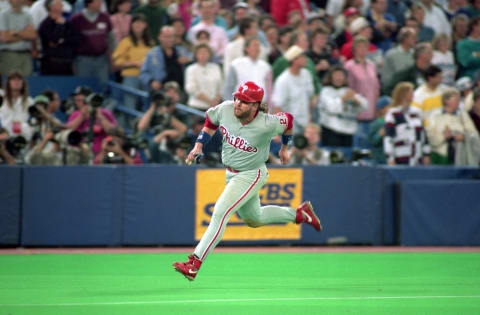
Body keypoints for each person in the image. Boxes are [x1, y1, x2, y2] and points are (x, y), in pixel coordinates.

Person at [173, 81, 323, 281]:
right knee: (255, 219)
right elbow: (210, 122)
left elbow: (288, 121)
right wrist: (198, 146)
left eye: (244, 101)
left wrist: (286, 148)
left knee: (220, 212)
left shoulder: (268, 122)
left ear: (255, 105)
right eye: (237, 98)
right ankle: (298, 213)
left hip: (252, 173)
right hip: (231, 172)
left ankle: (195, 262)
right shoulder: (226, 109)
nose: (238, 103)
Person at [112, 13, 154, 128]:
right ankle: (130, 128)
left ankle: (143, 129)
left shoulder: (150, 42)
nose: (139, 25)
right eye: (136, 22)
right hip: (131, 76)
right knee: (130, 104)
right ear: (131, 25)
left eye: (141, 23)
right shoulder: (126, 41)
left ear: (145, 25)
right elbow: (117, 61)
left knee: (146, 104)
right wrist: (134, 63)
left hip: (147, 78)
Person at [426, 89, 480, 165]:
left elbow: (474, 133)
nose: (458, 102)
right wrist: (443, 137)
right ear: (446, 101)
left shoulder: (462, 115)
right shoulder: (435, 115)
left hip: (459, 156)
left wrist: (464, 137)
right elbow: (430, 134)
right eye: (456, 99)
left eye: (459, 99)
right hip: (440, 156)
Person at [318, 66, 368, 147]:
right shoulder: (326, 91)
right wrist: (344, 99)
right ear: (331, 77)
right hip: (331, 130)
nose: (339, 78)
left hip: (348, 130)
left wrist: (356, 100)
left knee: (347, 156)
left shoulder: (347, 91)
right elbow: (332, 108)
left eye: (341, 75)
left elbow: (364, 105)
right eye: (336, 75)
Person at [384, 82, 431, 166]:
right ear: (403, 94)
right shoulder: (392, 114)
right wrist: (390, 158)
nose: (413, 94)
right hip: (401, 156)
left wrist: (426, 153)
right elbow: (388, 138)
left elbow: (423, 135)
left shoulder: (417, 113)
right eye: (411, 92)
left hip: (417, 158)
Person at [70, 0, 115, 82]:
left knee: (102, 85)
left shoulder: (105, 17)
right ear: (89, 3)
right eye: (98, 1)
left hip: (102, 59)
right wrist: (73, 62)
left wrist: (112, 58)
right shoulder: (76, 19)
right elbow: (71, 42)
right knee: (84, 86)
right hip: (83, 60)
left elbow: (111, 39)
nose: (101, 4)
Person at [273, 45, 315, 133]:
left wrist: (310, 120)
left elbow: (310, 98)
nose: (306, 59)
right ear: (294, 60)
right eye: (302, 57)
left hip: (305, 123)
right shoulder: (283, 80)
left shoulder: (306, 74)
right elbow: (277, 106)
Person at [137, 90, 187, 163]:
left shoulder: (178, 114)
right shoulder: (152, 114)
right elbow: (141, 127)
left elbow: (183, 129)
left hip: (170, 146)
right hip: (153, 146)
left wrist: (167, 114)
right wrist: (153, 107)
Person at [223, 36, 273, 106]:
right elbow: (228, 88)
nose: (257, 48)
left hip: (260, 105)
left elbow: (269, 90)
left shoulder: (266, 67)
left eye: (258, 46)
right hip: (241, 104)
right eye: (254, 45)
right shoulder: (236, 64)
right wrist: (229, 106)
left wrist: (270, 107)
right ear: (246, 48)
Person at [140, 25, 184, 92]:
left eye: (172, 36)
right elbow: (143, 74)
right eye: (167, 37)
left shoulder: (182, 51)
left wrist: (189, 60)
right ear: (160, 37)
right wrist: (151, 82)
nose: (170, 39)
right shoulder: (152, 54)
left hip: (180, 90)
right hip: (161, 90)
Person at [38, 0, 77, 75]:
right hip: (50, 63)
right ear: (52, 7)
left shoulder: (68, 23)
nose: (62, 6)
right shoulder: (45, 24)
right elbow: (52, 40)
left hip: (67, 63)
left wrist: (62, 41)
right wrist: (59, 26)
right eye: (59, 4)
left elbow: (75, 40)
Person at [0, 0, 37, 77]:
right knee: (10, 80)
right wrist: (25, 34)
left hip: (26, 55)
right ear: (10, 1)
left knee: (27, 81)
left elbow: (33, 35)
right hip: (9, 54)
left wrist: (16, 33)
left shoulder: (28, 15)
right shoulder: (3, 15)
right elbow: (4, 38)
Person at [184, 43, 223, 111]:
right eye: (200, 52)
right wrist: (210, 101)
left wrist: (216, 100)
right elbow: (191, 88)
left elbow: (222, 86)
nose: (203, 55)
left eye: (205, 52)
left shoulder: (216, 67)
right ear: (196, 55)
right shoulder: (191, 69)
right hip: (196, 107)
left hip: (214, 107)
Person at [0, 72, 34, 142]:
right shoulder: (2, 97)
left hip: (23, 136)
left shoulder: (29, 101)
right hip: (3, 135)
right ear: (8, 83)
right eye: (13, 79)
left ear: (23, 83)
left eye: (19, 80)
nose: (16, 82)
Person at [367, 96, 391, 164]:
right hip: (379, 158)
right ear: (381, 109)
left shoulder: (393, 121)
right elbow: (371, 141)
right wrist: (379, 135)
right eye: (388, 106)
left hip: (390, 157)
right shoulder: (376, 123)